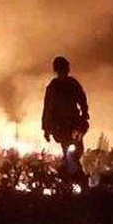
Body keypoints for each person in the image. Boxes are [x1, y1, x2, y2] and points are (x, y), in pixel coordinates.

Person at [41, 56, 89, 185]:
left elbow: (82, 100)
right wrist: (46, 129)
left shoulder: (72, 84)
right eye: (63, 68)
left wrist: (84, 115)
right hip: (61, 127)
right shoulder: (53, 86)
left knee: (76, 152)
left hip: (73, 125)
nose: (65, 70)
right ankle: (73, 178)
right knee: (69, 153)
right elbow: (47, 108)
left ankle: (72, 177)